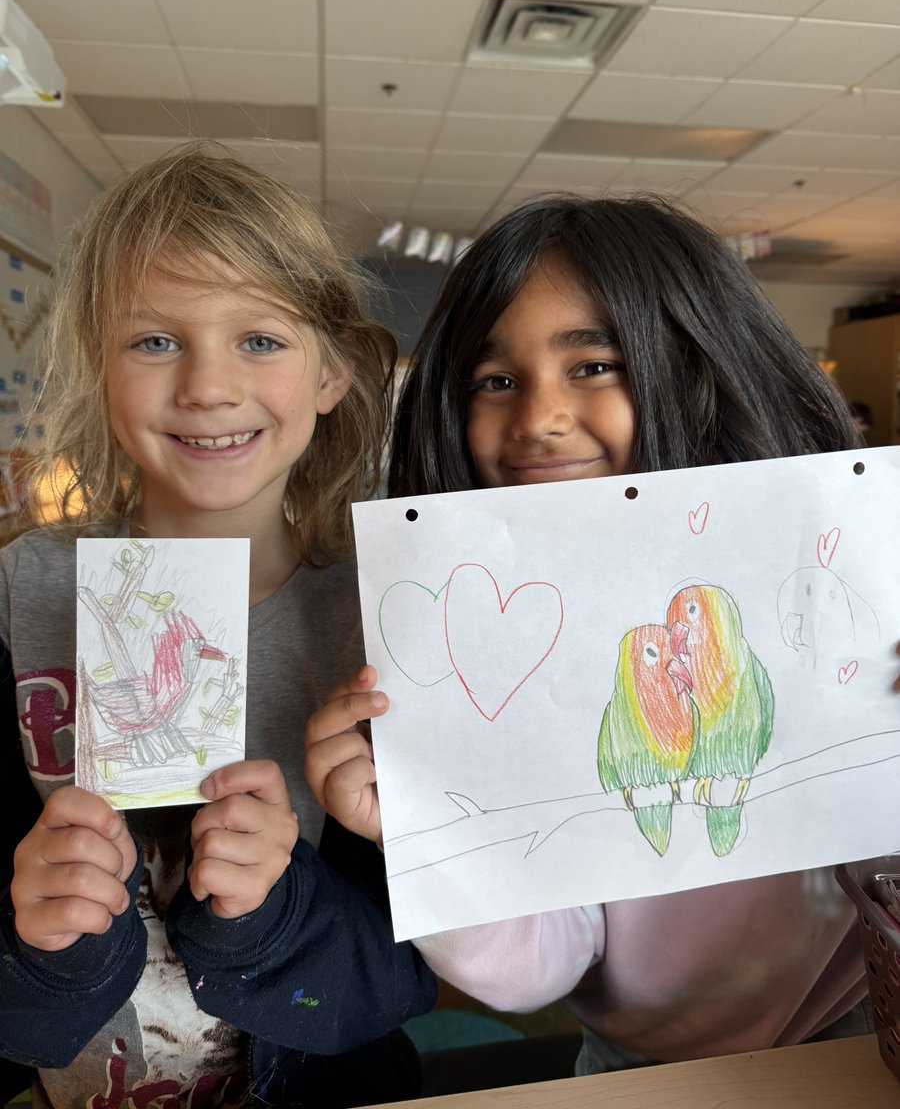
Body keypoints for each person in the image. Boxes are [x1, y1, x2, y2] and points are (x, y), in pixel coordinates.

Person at [305, 194, 897, 1078]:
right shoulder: (500, 654)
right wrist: (430, 838)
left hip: (868, 1032)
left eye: (594, 364)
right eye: (494, 381)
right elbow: (535, 966)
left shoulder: (842, 571)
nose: (538, 416)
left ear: (699, 363)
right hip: (635, 1072)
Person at [0, 144, 435, 1109]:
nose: (205, 385)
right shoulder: (18, 596)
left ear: (333, 374)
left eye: (261, 341)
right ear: (96, 369)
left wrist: (272, 918)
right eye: (155, 341)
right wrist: (41, 942)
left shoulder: (388, 623)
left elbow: (402, 980)